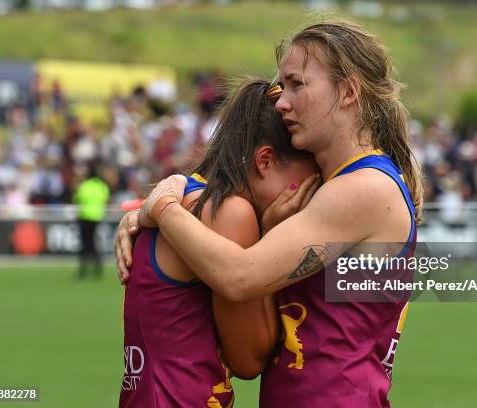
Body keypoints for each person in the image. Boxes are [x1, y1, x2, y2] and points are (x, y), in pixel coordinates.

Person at [117, 21, 423, 407]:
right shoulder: (336, 187)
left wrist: (162, 207)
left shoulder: (364, 188)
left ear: (348, 91)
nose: (281, 101)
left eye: (297, 85)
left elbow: (240, 276)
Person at [119, 78, 320, 407]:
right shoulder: (229, 212)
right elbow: (249, 360)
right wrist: (272, 235)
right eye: (305, 185)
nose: (307, 201)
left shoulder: (191, 195)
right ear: (265, 161)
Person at [73, 163, 110, 279]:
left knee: (85, 243)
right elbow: (105, 198)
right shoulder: (102, 186)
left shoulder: (84, 185)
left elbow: (77, 199)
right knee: (93, 242)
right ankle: (97, 266)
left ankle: (83, 269)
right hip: (97, 216)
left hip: (85, 216)